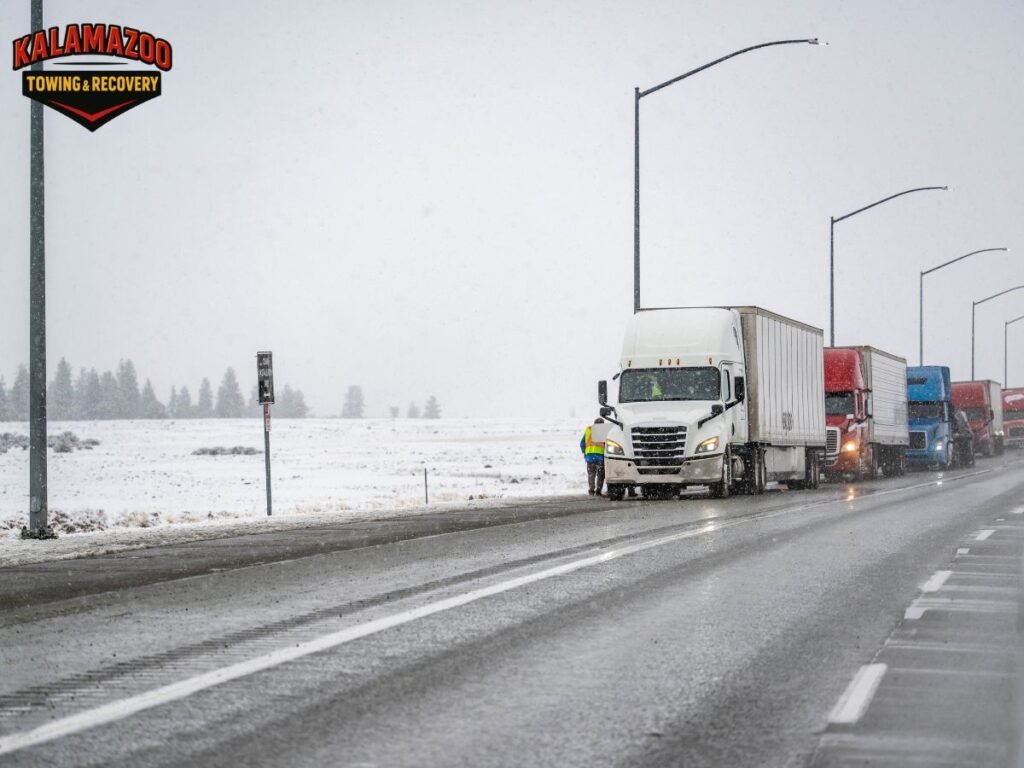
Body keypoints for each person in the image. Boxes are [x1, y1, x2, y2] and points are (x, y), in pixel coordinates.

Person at [580, 417, 609, 495]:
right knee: (601, 475)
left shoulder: (588, 430)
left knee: (591, 474)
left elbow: (582, 443)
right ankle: (598, 491)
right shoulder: (604, 431)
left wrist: (584, 452)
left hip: (589, 456)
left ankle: (591, 490)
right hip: (600, 456)